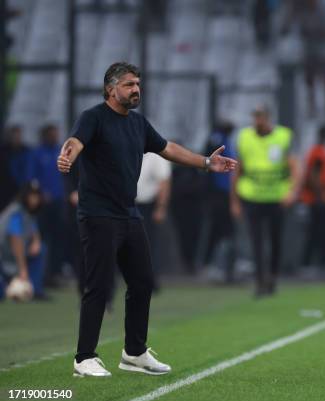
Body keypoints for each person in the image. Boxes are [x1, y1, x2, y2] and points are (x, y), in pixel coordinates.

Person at [57, 62, 237, 377]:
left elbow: (168, 149)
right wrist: (67, 156)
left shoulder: (138, 124)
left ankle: (135, 353)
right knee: (99, 285)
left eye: (137, 84)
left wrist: (207, 162)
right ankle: (84, 357)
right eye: (128, 85)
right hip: (98, 214)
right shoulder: (93, 118)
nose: (136, 89)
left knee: (143, 283)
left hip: (129, 213)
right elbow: (75, 142)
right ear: (110, 89)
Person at [230, 105, 300, 297]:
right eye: (255, 117)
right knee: (256, 240)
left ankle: (273, 276)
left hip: (276, 196)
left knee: (275, 239)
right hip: (251, 195)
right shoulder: (244, 137)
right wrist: (234, 200)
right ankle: (260, 281)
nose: (258, 121)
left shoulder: (283, 136)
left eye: (261, 117)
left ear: (268, 118)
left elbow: (294, 166)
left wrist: (292, 191)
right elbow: (238, 169)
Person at [26, 124, 65, 289]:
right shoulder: (37, 153)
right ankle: (38, 277)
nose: (55, 137)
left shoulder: (61, 151)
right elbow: (31, 178)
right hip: (42, 204)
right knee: (40, 239)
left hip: (59, 203)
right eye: (52, 134)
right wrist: (41, 194)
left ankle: (54, 274)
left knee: (58, 239)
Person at [300, 126, 325, 272]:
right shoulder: (318, 151)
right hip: (316, 199)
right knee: (317, 231)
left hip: (324, 197)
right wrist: (319, 196)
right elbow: (313, 174)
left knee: (323, 231)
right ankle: (309, 263)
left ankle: (318, 263)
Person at [202, 121, 237, 283]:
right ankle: (216, 266)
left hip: (226, 193)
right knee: (222, 229)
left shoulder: (227, 140)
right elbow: (206, 162)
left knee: (223, 230)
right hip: (217, 194)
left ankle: (223, 265)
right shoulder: (216, 140)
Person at [0, 182, 45, 301]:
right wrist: (22, 269)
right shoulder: (16, 211)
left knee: (41, 249)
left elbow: (33, 230)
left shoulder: (29, 212)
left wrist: (36, 241)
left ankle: (36, 290)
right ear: (25, 195)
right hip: (4, 254)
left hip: (14, 254)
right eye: (32, 195)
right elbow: (15, 239)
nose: (35, 199)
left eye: (37, 196)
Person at [136, 152, 171, 292]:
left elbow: (164, 181)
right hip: (128, 204)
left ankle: (150, 280)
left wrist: (161, 207)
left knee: (148, 244)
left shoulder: (155, 155)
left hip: (148, 205)